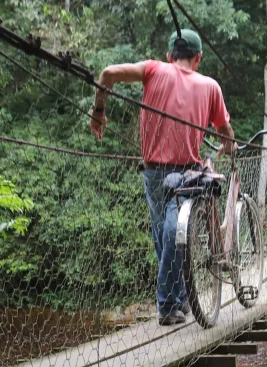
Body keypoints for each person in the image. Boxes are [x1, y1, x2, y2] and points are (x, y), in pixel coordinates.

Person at [90, 29, 235, 326]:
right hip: (184, 174)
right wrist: (230, 145)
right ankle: (174, 302)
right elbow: (224, 130)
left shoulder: (152, 69)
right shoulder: (210, 86)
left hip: (154, 172)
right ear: (198, 58)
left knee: (168, 236)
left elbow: (107, 74)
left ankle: (171, 302)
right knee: (167, 238)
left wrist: (98, 111)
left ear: (169, 56)